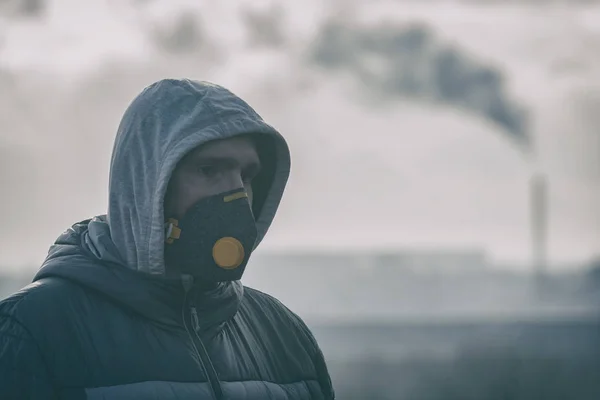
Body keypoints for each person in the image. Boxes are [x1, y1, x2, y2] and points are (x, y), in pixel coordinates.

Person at [0, 79, 335, 400]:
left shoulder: (284, 334)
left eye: (247, 175)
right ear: (148, 185)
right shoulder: (31, 330)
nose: (237, 194)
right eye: (209, 170)